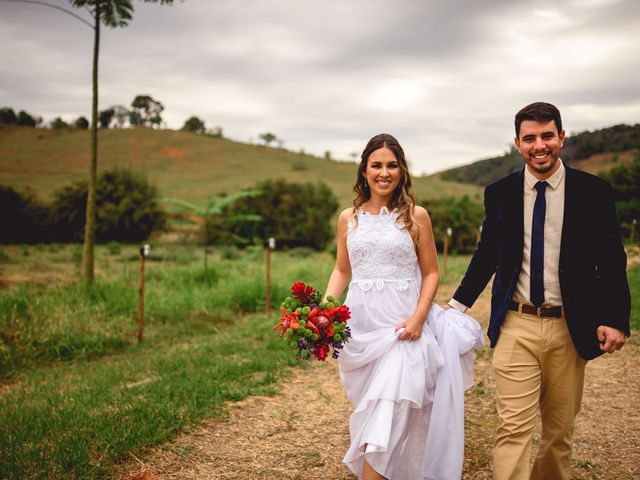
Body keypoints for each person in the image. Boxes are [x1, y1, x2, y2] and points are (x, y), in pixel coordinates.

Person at [446, 102, 631, 479]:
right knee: (513, 427)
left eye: (547, 135)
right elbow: (487, 256)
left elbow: (611, 259)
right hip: (516, 324)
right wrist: (455, 307)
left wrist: (615, 319)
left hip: (569, 325)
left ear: (561, 137)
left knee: (559, 432)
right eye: (529, 138)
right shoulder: (499, 193)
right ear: (517, 143)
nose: (539, 145)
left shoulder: (593, 192)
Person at [324, 133, 483, 480]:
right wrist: (323, 310)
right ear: (364, 171)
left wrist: (418, 318)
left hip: (404, 329)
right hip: (362, 328)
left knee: (389, 411)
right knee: (375, 413)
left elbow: (431, 273)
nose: (384, 172)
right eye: (376, 165)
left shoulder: (416, 216)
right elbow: (342, 270)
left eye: (391, 165)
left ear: (401, 171)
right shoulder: (347, 218)